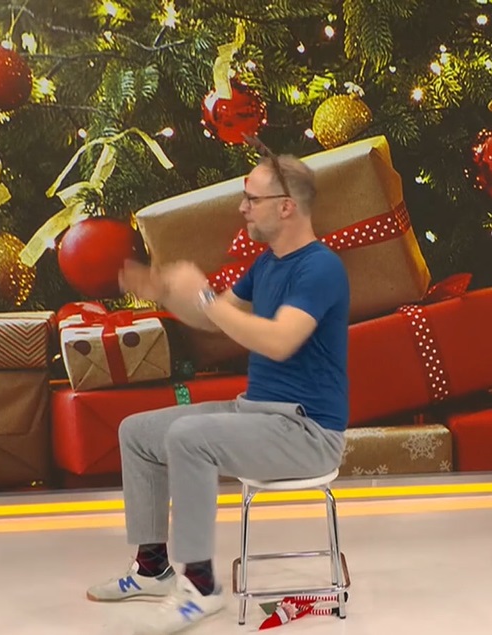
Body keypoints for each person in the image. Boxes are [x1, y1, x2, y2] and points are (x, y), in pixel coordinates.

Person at [87, 154, 351, 634]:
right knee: (137, 432)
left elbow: (279, 339)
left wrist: (206, 297)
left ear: (287, 207)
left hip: (307, 431)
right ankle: (153, 569)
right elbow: (215, 320)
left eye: (252, 199)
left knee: (189, 437)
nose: (242, 208)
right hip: (256, 413)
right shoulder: (267, 264)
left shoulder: (321, 268)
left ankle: (201, 587)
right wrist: (165, 290)